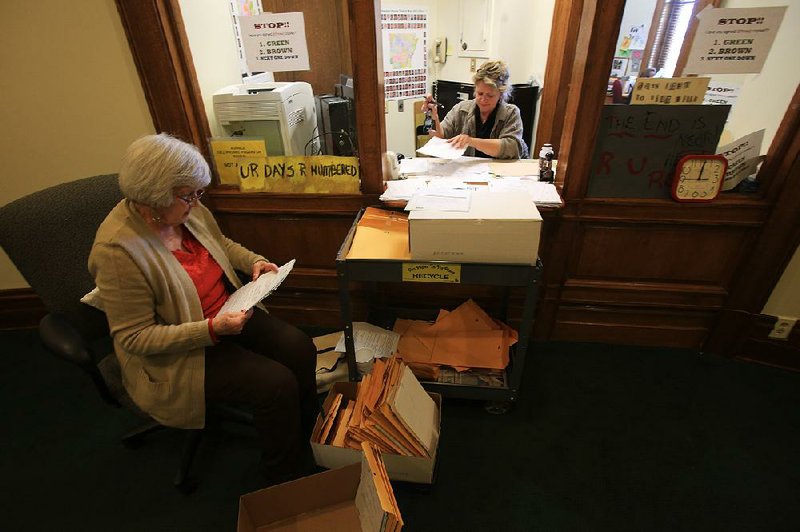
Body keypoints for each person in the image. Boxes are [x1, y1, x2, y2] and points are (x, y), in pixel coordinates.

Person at [89, 133, 319, 485]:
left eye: (199, 193)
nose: (197, 203)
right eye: (189, 196)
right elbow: (135, 338)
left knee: (299, 346)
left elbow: (221, 243)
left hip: (227, 312)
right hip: (184, 346)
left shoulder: (184, 209)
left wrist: (255, 261)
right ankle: (283, 475)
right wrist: (212, 330)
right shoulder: (118, 253)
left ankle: (307, 434)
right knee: (275, 384)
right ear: (153, 199)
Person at [422, 60, 528, 159]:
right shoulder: (461, 109)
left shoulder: (511, 113)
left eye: (490, 95)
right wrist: (433, 118)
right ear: (475, 90)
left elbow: (511, 148)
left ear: (501, 94)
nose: (483, 99)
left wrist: (471, 141)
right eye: (480, 93)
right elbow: (441, 137)